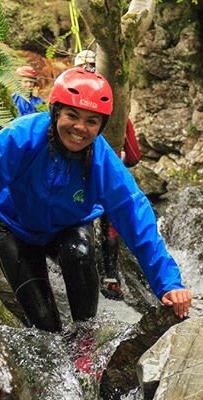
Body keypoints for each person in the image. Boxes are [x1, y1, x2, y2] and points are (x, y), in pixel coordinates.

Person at [0, 67, 191, 332]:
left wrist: (169, 284)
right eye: (72, 116)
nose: (80, 128)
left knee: (79, 253)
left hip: (69, 230)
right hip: (14, 229)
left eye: (91, 121)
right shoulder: (20, 138)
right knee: (45, 326)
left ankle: (85, 342)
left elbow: (137, 217)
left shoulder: (103, 162)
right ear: (55, 113)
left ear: (101, 126)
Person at [74, 48, 142, 299]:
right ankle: (110, 275)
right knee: (110, 220)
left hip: (72, 179)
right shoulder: (115, 110)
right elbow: (134, 155)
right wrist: (116, 161)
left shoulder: (61, 108)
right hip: (107, 181)